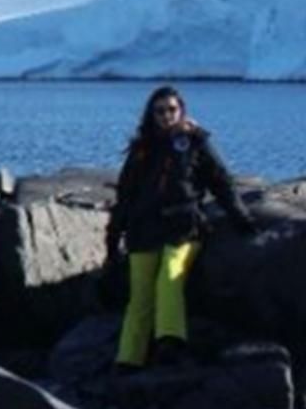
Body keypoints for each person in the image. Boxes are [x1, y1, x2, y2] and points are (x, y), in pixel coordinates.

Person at [107, 85, 256, 371]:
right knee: (139, 296)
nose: (166, 116)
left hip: (183, 227)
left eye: (172, 109)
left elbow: (221, 181)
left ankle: (170, 341)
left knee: (170, 277)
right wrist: (113, 238)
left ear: (182, 111)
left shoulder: (196, 143)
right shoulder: (141, 149)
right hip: (144, 231)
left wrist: (240, 216)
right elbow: (126, 195)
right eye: (160, 110)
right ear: (152, 114)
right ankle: (128, 359)